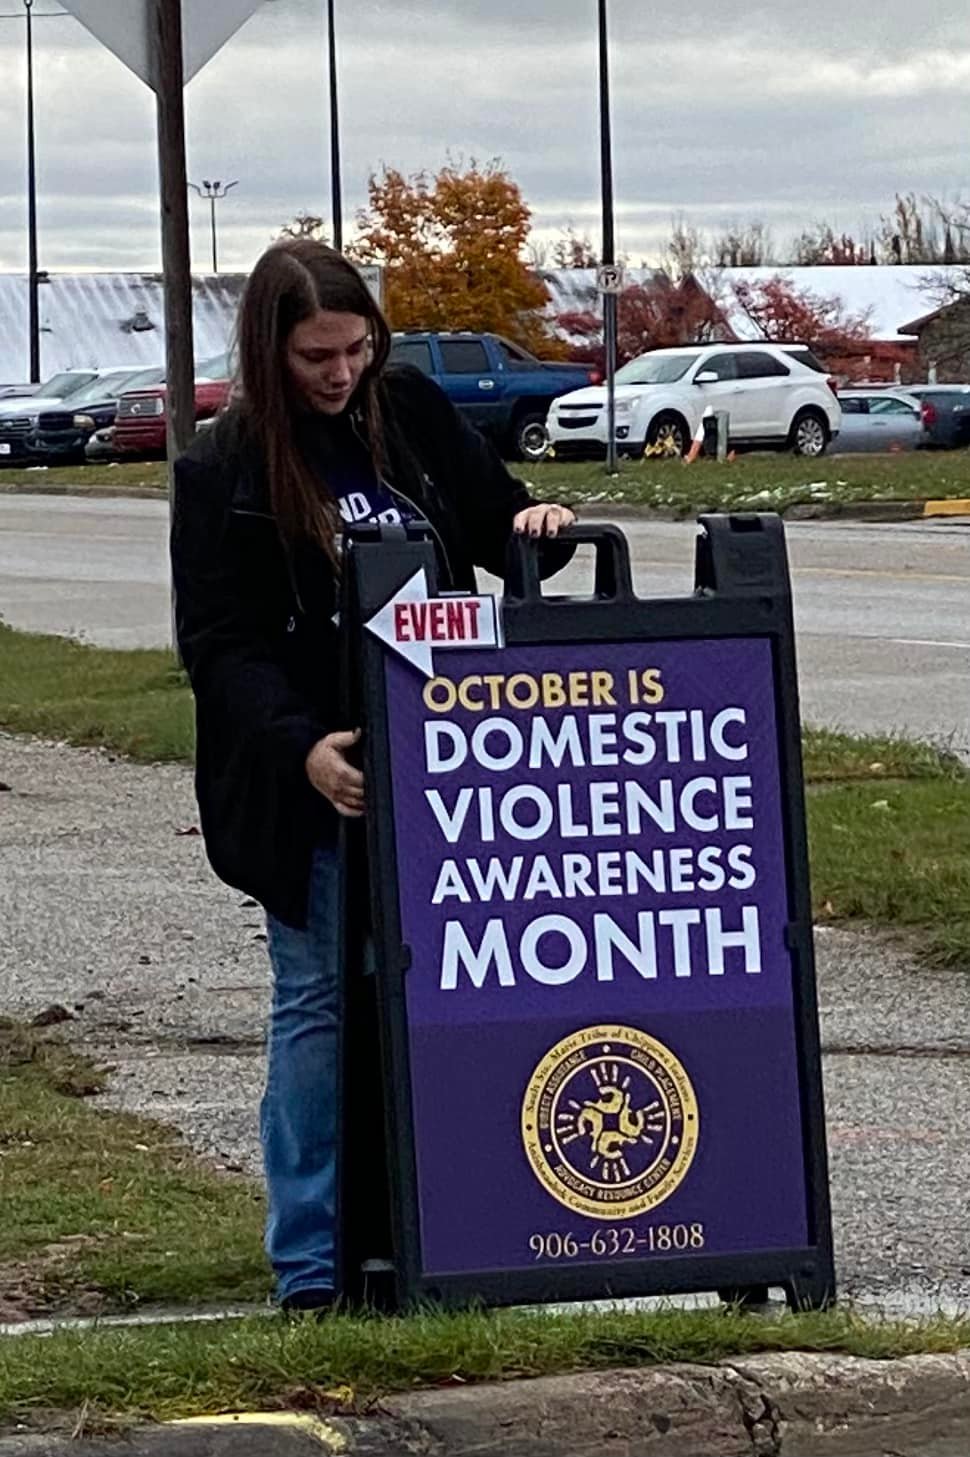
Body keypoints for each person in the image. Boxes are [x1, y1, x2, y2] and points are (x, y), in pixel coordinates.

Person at [170, 240, 576, 1314]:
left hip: (449, 766)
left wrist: (540, 527)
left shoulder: (410, 410)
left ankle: (463, 1228)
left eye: (354, 348)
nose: (338, 372)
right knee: (315, 1002)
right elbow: (218, 642)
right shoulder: (224, 467)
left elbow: (497, 523)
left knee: (454, 990)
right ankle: (309, 1263)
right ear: (272, 351)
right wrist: (304, 744)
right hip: (315, 778)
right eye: (314, 355)